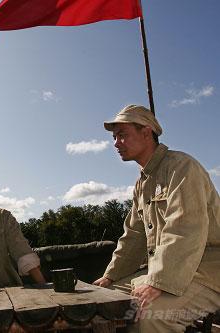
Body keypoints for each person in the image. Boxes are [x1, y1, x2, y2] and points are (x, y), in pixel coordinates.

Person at [93, 105, 220, 332]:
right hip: (165, 269)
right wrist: (110, 277)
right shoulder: (142, 184)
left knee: (151, 316)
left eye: (122, 135)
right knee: (104, 303)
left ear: (146, 132)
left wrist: (158, 282)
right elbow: (133, 236)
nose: (115, 143)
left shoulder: (182, 167)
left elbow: (184, 229)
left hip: (207, 270)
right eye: (114, 137)